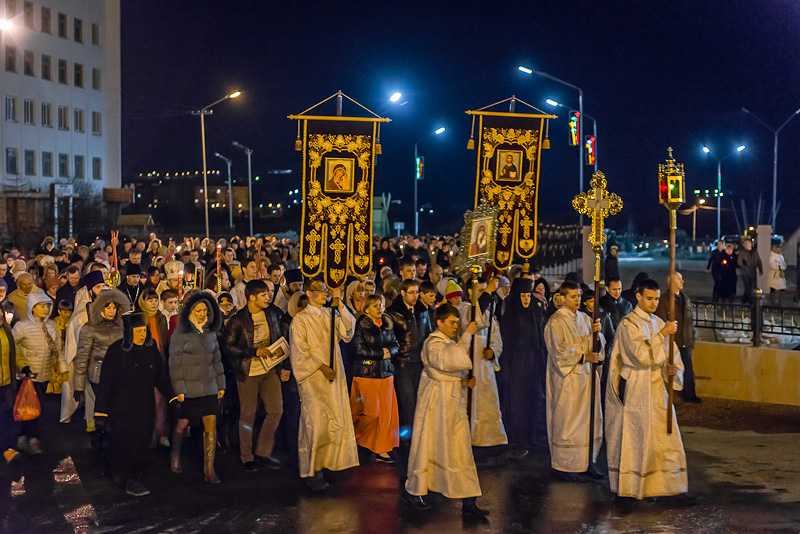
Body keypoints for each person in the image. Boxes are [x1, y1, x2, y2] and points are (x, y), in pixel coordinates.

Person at [605, 278, 688, 501]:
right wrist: (662, 335)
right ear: (638, 296)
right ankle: (631, 489)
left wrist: (672, 370)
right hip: (637, 388)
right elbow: (640, 356)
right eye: (649, 298)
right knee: (638, 437)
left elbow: (672, 355)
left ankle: (661, 487)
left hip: (658, 390)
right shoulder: (628, 324)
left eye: (657, 299)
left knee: (661, 438)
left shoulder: (658, 322)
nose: (654, 303)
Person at [404, 304, 488, 519]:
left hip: (451, 407)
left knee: (460, 450)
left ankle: (469, 501)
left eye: (456, 323)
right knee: (428, 446)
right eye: (451, 322)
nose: (455, 327)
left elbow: (455, 366)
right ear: (439, 323)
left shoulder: (448, 343)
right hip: (436, 407)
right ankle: (416, 491)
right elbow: (449, 361)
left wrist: (464, 381)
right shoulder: (432, 343)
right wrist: (467, 335)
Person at [94, 312, 175, 497]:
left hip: (144, 407)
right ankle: (121, 471)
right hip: (121, 408)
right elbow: (106, 383)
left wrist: (172, 397)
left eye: (144, 330)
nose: (141, 334)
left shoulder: (150, 350)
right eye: (137, 331)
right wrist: (100, 413)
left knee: (140, 442)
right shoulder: (116, 351)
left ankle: (133, 478)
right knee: (122, 442)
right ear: (129, 332)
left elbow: (160, 377)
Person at [289, 280, 358, 491]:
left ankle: (332, 462)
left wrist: (340, 304)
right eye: (320, 291)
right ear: (309, 293)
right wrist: (320, 367)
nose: (324, 294)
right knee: (315, 421)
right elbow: (299, 351)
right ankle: (313, 470)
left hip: (333, 374)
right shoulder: (300, 320)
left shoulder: (330, 314)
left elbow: (348, 331)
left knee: (334, 419)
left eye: (326, 291)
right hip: (313, 377)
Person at [221, 279, 285, 472]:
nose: (268, 297)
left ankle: (263, 452)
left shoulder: (272, 313)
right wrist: (253, 352)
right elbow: (228, 347)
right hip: (248, 371)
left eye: (268, 294)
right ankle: (246, 456)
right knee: (247, 414)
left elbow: (279, 336)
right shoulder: (239, 320)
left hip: (270, 369)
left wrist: (282, 364)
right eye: (263, 295)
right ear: (252, 298)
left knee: (276, 410)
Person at [544, 280, 604, 479]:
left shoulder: (585, 319)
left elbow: (596, 347)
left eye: (579, 296)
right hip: (568, 380)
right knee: (568, 420)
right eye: (573, 297)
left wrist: (597, 335)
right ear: (562, 298)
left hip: (586, 378)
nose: (577, 300)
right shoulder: (555, 322)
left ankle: (587, 461)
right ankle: (564, 465)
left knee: (589, 420)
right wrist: (583, 356)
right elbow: (558, 351)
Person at [168, 291, 225, 483]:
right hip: (189, 388)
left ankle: (209, 468)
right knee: (183, 423)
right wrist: (179, 388)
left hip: (209, 385)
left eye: (205, 311)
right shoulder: (181, 333)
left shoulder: (210, 332)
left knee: (211, 424)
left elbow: (216, 359)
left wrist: (221, 384)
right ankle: (175, 454)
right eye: (198, 311)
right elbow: (175, 362)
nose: (202, 314)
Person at [11, 292, 65, 455]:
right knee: (28, 409)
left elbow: (57, 349)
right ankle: (27, 438)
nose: (45, 309)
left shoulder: (51, 326)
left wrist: (62, 368)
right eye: (41, 306)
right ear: (32, 307)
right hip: (28, 376)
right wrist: (23, 365)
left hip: (44, 374)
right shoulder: (22, 327)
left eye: (47, 306)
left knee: (37, 408)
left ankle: (28, 438)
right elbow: (13, 348)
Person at [73, 289, 130, 439]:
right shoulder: (90, 328)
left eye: (114, 308)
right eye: (108, 307)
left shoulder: (123, 326)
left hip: (119, 375)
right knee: (101, 410)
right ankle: (100, 438)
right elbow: (82, 357)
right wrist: (78, 386)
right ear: (100, 308)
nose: (112, 311)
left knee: (116, 409)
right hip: (98, 374)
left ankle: (111, 439)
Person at [498, 278, 547, 453]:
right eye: (523, 296)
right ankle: (518, 438)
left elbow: (538, 338)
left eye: (528, 296)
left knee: (532, 398)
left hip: (532, 362)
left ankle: (531, 435)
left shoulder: (534, 311)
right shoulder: (511, 315)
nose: (526, 299)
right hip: (515, 363)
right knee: (517, 400)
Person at [458, 278, 506, 450]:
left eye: (484, 292)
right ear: (470, 292)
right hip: (468, 366)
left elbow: (496, 340)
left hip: (485, 368)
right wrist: (488, 292)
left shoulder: (488, 314)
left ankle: (488, 442)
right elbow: (473, 320)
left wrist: (492, 351)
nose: (484, 295)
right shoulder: (463, 309)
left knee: (487, 404)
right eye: (480, 291)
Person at [351, 294, 400, 463]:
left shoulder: (387, 324)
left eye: (381, 305)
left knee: (386, 414)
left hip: (385, 373)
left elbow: (395, 345)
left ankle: (381, 448)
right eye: (375, 305)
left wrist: (389, 352)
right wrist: (380, 354)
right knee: (371, 413)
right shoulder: (361, 325)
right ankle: (357, 436)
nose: (379, 308)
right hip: (367, 373)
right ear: (366, 309)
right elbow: (360, 351)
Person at [386, 279, 433, 444]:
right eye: (411, 293)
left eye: (417, 292)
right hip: (403, 363)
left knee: (420, 398)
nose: (415, 296)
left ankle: (419, 434)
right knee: (407, 401)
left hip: (419, 361)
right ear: (403, 293)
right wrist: (396, 356)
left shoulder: (422, 310)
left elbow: (428, 334)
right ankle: (408, 437)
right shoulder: (393, 312)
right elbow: (388, 339)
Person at [656, 271, 699, 403]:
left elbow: (689, 321)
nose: (682, 281)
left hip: (685, 341)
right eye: (679, 279)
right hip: (673, 341)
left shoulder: (685, 298)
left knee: (688, 369)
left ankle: (689, 394)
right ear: (672, 282)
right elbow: (661, 321)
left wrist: (691, 338)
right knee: (671, 369)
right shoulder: (665, 300)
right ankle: (672, 395)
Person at [736, 238, 762, 304]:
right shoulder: (742, 252)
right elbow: (739, 262)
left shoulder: (755, 252)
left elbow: (758, 261)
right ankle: (750, 301)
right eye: (745, 244)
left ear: (750, 244)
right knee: (747, 286)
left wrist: (760, 269)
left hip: (752, 272)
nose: (746, 245)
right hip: (745, 272)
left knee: (750, 287)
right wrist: (744, 266)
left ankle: (744, 300)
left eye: (747, 243)